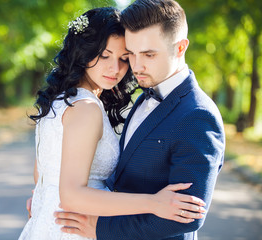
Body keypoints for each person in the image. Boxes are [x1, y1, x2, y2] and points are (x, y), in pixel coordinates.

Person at [19, 7, 207, 240]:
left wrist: (43, 200)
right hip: (77, 227)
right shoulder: (86, 109)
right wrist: (153, 203)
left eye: (124, 59)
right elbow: (71, 195)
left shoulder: (58, 101)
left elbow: (43, 177)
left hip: (54, 221)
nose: (115, 69)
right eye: (105, 55)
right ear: (83, 52)